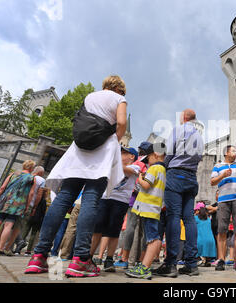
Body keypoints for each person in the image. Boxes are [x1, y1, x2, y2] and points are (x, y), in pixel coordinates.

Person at [24, 75, 128, 277]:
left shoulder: (90, 97)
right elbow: (121, 122)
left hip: (79, 152)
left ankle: (38, 256)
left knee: (63, 199)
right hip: (101, 153)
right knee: (90, 201)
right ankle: (80, 260)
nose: (123, 95)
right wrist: (114, 139)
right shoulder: (118, 99)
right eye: (122, 91)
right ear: (118, 88)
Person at [153, 109, 204, 278]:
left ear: (183, 118)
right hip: (191, 177)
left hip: (176, 174)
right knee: (189, 219)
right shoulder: (198, 135)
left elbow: (169, 151)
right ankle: (191, 263)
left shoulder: (178, 129)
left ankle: (171, 263)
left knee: (173, 217)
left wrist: (165, 166)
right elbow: (199, 157)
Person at [90, 146, 139, 272]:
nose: (120, 155)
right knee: (97, 227)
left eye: (123, 153)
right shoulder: (112, 165)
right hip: (105, 198)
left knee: (113, 230)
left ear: (131, 156)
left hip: (120, 201)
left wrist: (111, 162)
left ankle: (109, 258)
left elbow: (126, 171)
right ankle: (88, 257)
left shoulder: (135, 167)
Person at [125, 143, 166, 280]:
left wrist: (140, 177)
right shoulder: (162, 169)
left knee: (152, 239)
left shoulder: (154, 169)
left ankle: (145, 267)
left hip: (149, 208)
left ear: (156, 155)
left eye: (148, 158)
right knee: (154, 237)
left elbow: (146, 185)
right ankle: (144, 265)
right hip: (152, 209)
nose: (147, 161)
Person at [0, 160, 37, 255]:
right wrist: (27, 206)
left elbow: (3, 187)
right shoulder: (32, 178)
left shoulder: (13, 174)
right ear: (31, 168)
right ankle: (0, 249)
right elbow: (31, 194)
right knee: (8, 225)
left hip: (4, 201)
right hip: (17, 204)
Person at [210, 145, 236, 271]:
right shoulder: (218, 166)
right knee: (222, 230)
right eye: (233, 150)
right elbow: (212, 182)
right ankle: (221, 260)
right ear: (226, 153)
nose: (235, 152)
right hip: (223, 200)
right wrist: (222, 175)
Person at [114, 142, 149, 269]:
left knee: (130, 227)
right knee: (144, 232)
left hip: (134, 199)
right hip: (146, 200)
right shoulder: (149, 165)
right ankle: (141, 260)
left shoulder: (137, 163)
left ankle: (124, 258)